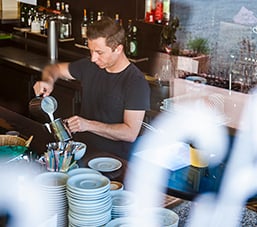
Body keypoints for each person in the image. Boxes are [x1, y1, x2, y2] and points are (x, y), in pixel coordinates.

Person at [33, 16, 150, 160]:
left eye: (99, 52)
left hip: (113, 160)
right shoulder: (90, 66)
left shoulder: (135, 82)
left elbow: (130, 133)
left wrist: (87, 125)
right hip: (82, 152)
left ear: (118, 49)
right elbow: (54, 68)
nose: (93, 58)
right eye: (91, 51)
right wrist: (48, 81)